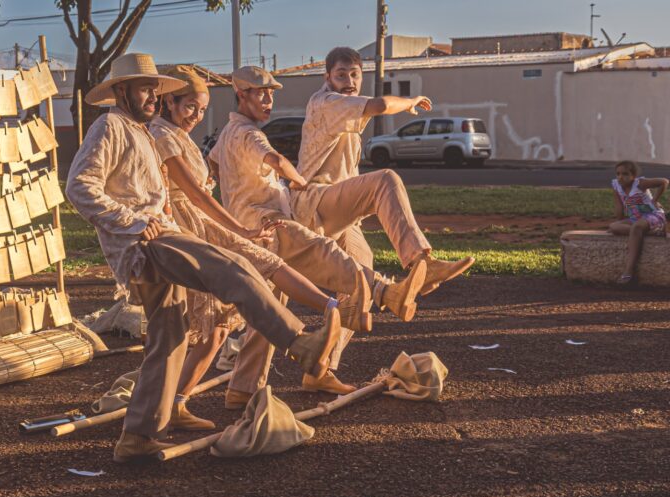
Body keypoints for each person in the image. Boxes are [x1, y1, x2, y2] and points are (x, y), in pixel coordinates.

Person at [65, 53, 341, 463]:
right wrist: (135, 222)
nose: (153, 97)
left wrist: (155, 214)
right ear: (120, 91)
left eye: (155, 90)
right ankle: (298, 342)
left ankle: (138, 438)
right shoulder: (110, 126)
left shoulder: (141, 132)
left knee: (170, 336)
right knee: (232, 267)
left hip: (155, 235)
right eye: (144, 88)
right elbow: (79, 187)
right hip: (146, 243)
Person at [149, 65, 368, 430]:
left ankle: (177, 403)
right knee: (188, 325)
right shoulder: (165, 134)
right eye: (189, 106)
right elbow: (197, 194)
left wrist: (232, 199)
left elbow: (212, 170)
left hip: (203, 225)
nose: (196, 116)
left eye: (201, 109)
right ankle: (330, 317)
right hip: (185, 231)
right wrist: (245, 221)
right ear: (168, 102)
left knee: (219, 323)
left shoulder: (184, 135)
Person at [209, 66, 428, 405]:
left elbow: (213, 167)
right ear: (242, 95)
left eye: (272, 94)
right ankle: (384, 292)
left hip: (256, 226)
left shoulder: (227, 133)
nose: (269, 101)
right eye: (261, 94)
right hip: (269, 222)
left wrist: (222, 196)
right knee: (319, 251)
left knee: (268, 305)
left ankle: (243, 389)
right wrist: (298, 181)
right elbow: (277, 159)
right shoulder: (249, 132)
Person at [292, 47, 474, 298]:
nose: (349, 82)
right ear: (328, 78)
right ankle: (422, 262)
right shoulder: (326, 103)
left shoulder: (347, 109)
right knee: (385, 180)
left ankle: (333, 336)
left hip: (338, 210)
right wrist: (410, 101)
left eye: (355, 75)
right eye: (341, 75)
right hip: (314, 205)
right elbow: (381, 104)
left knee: (362, 280)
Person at [607, 160, 667, 284]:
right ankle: (651, 233)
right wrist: (619, 224)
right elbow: (619, 207)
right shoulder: (616, 186)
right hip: (636, 219)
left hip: (653, 215)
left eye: (625, 174)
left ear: (633, 175)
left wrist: (655, 200)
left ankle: (629, 271)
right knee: (613, 227)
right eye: (618, 174)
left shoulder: (640, 184)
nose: (620, 177)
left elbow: (664, 182)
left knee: (636, 227)